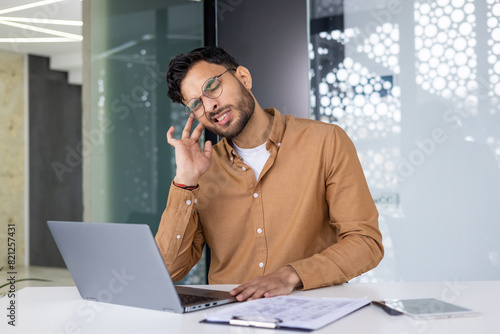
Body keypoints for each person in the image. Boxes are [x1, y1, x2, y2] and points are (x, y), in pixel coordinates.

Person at [155, 46, 383, 302]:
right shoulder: (202, 172)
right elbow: (168, 269)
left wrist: (291, 275)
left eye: (211, 87)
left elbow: (366, 243)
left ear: (243, 77)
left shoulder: (325, 141)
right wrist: (185, 181)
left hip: (312, 313)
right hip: (228, 318)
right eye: (196, 104)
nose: (210, 106)